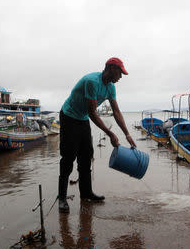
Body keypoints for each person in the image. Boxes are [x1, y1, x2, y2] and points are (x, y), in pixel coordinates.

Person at [58, 57, 136, 213]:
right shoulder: (92, 81)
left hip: (83, 118)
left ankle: (86, 194)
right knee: (68, 157)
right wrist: (110, 133)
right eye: (120, 73)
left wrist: (127, 134)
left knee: (86, 156)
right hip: (69, 116)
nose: (120, 77)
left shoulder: (111, 87)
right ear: (111, 68)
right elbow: (93, 113)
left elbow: (116, 112)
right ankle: (62, 198)